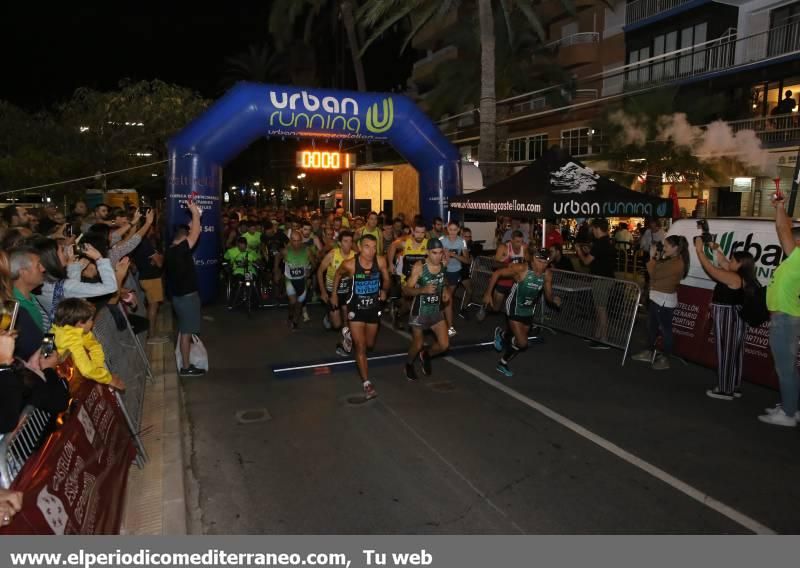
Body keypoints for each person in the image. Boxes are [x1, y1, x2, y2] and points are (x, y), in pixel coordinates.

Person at [694, 237, 755, 400]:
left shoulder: (733, 277)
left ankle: (725, 389)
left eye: (734, 259)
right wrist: (715, 248)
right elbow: (723, 262)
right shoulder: (741, 275)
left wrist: (700, 251)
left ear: (740, 263)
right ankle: (733, 385)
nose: (730, 261)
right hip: (735, 316)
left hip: (729, 317)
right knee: (735, 352)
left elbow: (711, 269)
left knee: (726, 351)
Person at [483, 248, 560, 377]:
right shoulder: (521, 269)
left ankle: (501, 334)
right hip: (514, 306)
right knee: (523, 343)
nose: (543, 265)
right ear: (534, 259)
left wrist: (554, 300)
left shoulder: (547, 274)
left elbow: (548, 295)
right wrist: (488, 293)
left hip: (529, 309)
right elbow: (497, 273)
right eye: (540, 261)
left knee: (519, 340)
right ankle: (502, 363)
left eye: (545, 262)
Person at [331, 235, 390, 400]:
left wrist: (384, 290)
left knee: (370, 344)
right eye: (367, 247)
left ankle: (348, 334)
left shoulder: (381, 262)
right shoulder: (350, 264)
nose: (371, 251)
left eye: (373, 247)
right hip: (355, 310)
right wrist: (334, 294)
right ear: (359, 247)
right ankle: (367, 383)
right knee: (361, 346)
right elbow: (337, 275)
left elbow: (387, 280)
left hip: (373, 309)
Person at [759, 193, 800, 426]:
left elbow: (783, 231)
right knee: (789, 369)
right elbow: (784, 232)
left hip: (785, 319)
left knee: (784, 369)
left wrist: (780, 208)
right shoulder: (794, 260)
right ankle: (791, 408)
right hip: (786, 318)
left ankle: (787, 413)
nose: (785, 244)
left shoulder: (798, 258)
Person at [631, 235, 689, 370]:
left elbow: (654, 274)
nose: (664, 248)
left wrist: (652, 257)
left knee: (666, 331)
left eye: (667, 245)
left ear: (676, 248)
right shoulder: (671, 259)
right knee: (652, 328)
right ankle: (649, 351)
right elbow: (657, 270)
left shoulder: (677, 263)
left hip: (663, 300)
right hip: (657, 297)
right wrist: (657, 258)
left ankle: (665, 358)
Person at [33, 238, 118, 329]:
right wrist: (99, 259)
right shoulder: (66, 287)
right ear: (54, 259)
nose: (65, 252)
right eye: (62, 250)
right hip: (76, 332)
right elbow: (110, 287)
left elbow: (71, 290)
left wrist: (73, 265)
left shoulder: (41, 282)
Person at [165, 201, 205, 377]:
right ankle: (186, 367)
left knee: (184, 331)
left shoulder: (171, 250)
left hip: (179, 298)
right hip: (187, 299)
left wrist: (195, 218)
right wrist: (194, 213)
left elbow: (193, 230)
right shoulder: (181, 250)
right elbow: (195, 233)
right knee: (186, 334)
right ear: (184, 237)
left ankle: (185, 363)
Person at [51, 298, 125, 390]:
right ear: (80, 324)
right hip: (59, 383)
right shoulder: (71, 340)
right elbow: (87, 370)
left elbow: (94, 345)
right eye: (90, 320)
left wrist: (99, 369)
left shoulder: (63, 329)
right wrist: (110, 380)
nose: (92, 322)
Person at [403, 239, 450, 381]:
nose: (438, 256)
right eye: (434, 253)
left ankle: (426, 354)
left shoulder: (443, 264)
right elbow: (405, 290)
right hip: (420, 311)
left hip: (436, 310)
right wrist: (422, 289)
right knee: (417, 344)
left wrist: (445, 290)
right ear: (427, 253)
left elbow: (443, 280)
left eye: (440, 253)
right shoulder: (419, 267)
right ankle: (409, 364)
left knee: (444, 345)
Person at [575, 218, 616, 349]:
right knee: (599, 308)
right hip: (606, 278)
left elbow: (586, 262)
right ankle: (598, 336)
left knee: (601, 309)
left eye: (593, 229)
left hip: (601, 279)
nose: (592, 231)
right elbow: (597, 257)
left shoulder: (600, 243)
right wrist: (588, 251)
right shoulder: (606, 242)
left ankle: (604, 339)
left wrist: (580, 252)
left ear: (597, 228)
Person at [317, 230, 356, 355]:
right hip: (331, 291)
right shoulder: (332, 254)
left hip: (347, 292)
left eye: (350, 241)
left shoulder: (355, 256)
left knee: (347, 320)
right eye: (345, 241)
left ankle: (343, 343)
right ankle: (329, 315)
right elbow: (319, 272)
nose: (348, 244)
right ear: (339, 243)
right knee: (336, 325)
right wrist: (323, 292)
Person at [132, 223, 167, 343]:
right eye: (152, 226)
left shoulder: (136, 242)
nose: (154, 228)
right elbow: (160, 263)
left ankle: (150, 331)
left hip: (144, 276)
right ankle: (151, 336)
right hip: (151, 278)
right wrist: (160, 256)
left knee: (151, 306)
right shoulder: (145, 243)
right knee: (153, 306)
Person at [274, 230, 314, 329]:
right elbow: (277, 257)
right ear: (290, 241)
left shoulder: (307, 250)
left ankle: (295, 322)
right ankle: (290, 315)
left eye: (298, 240)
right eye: (294, 240)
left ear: (301, 240)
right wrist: (276, 270)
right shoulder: (285, 251)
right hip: (290, 280)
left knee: (299, 303)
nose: (296, 243)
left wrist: (309, 270)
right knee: (292, 302)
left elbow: (314, 263)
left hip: (302, 281)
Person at [440, 221, 470, 337]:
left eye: (455, 230)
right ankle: (448, 325)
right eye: (450, 229)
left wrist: (454, 255)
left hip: (454, 272)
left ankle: (447, 325)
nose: (452, 232)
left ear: (458, 230)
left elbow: (467, 260)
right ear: (447, 229)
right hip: (442, 271)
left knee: (447, 298)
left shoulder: (461, 241)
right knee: (445, 297)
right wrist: (444, 254)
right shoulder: (442, 239)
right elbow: (435, 254)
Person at [489, 230, 527, 313]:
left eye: (521, 241)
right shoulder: (504, 248)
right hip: (503, 281)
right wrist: (507, 265)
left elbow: (529, 263)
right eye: (517, 241)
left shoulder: (524, 247)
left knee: (514, 308)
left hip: (516, 282)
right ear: (511, 240)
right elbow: (494, 264)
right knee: (496, 308)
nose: (519, 244)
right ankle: (486, 307)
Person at [224, 237, 261, 309]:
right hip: (237, 271)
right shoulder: (231, 251)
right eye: (240, 247)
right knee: (238, 281)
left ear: (246, 245)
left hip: (249, 271)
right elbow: (225, 260)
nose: (242, 249)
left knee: (249, 281)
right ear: (237, 245)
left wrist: (256, 261)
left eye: (244, 247)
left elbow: (258, 261)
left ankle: (251, 301)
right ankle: (235, 300)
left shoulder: (251, 252)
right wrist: (227, 266)